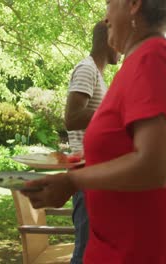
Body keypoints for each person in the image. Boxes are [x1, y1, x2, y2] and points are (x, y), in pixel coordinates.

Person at [22, 1, 166, 264]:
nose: (106, 18)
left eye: (108, 3)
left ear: (133, 4)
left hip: (141, 250)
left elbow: (155, 165)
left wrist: (73, 182)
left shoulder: (153, 57)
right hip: (122, 245)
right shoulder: (138, 62)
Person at [64, 21, 119, 264]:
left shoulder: (97, 74)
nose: (121, 49)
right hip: (87, 174)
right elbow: (71, 118)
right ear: (109, 41)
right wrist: (115, 107)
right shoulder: (86, 69)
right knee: (85, 253)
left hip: (97, 174)